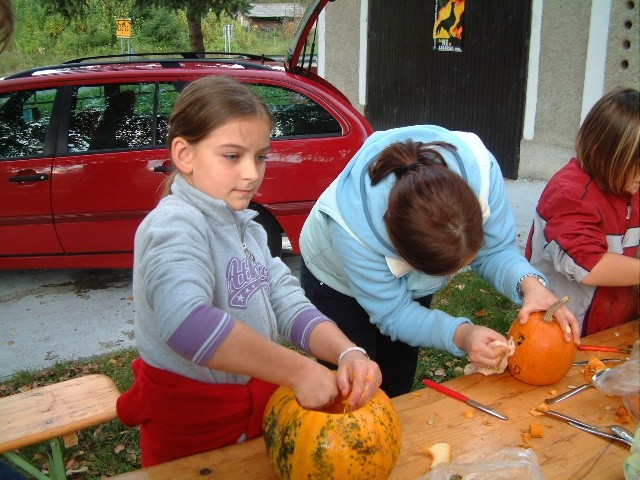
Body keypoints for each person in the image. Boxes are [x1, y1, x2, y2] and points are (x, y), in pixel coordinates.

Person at [116, 76, 382, 467]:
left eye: (260, 156)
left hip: (252, 417)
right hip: (189, 434)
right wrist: (299, 371)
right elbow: (187, 323)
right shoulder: (174, 226)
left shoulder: (250, 229)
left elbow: (287, 303)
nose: (251, 174)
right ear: (184, 154)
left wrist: (348, 351)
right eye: (232, 156)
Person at [300, 124, 580, 397]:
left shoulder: (480, 171)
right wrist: (462, 334)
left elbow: (496, 251)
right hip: (334, 282)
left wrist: (530, 285)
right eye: (448, 271)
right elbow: (394, 314)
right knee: (353, 388)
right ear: (407, 258)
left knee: (397, 378)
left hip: (409, 262)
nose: (454, 277)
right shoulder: (353, 233)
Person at [526, 88, 640, 336]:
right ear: (602, 154)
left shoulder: (630, 185)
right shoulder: (570, 194)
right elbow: (589, 266)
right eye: (637, 167)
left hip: (616, 327)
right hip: (564, 330)